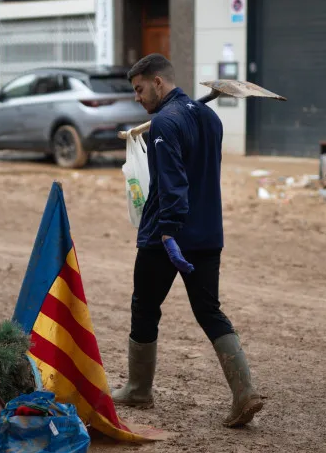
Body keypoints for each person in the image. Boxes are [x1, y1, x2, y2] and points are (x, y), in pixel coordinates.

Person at [110, 54, 264, 428]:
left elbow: (175, 182)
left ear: (158, 83)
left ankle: (138, 389)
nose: (137, 97)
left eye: (139, 89)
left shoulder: (165, 121)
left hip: (167, 236)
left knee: (145, 307)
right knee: (209, 310)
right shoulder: (209, 117)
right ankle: (245, 392)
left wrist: (167, 231)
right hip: (209, 233)